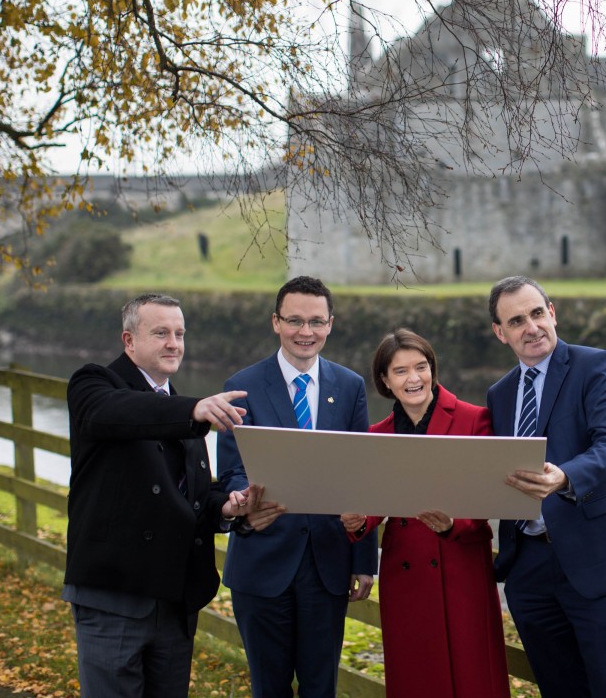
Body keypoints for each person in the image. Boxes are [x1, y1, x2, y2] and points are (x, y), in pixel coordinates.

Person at [63, 292, 274, 698]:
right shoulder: (94, 384)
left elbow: (192, 497)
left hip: (175, 599)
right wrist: (192, 411)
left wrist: (227, 508)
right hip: (114, 595)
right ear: (129, 341)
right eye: (160, 333)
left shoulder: (178, 406)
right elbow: (117, 413)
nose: (173, 343)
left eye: (179, 333)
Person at [486, 276, 606, 698]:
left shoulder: (596, 365)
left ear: (552, 312)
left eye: (536, 313)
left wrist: (564, 476)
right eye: (516, 321)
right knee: (559, 688)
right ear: (500, 332)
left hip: (598, 558)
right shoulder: (500, 394)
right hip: (529, 570)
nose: (531, 327)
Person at [218, 276, 378, 698]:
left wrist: (364, 557)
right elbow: (232, 471)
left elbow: (360, 476)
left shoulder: (349, 386)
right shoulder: (242, 385)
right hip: (262, 560)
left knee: (319, 686)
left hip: (327, 564)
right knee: (268, 687)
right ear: (276, 322)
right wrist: (244, 503)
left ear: (330, 324)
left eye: (316, 322)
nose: (305, 332)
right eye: (294, 321)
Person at [340, 329, 510, 698]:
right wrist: (359, 522)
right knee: (416, 677)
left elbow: (488, 497)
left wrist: (454, 524)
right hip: (406, 575)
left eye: (420, 366)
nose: (413, 378)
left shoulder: (475, 419)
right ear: (385, 380)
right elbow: (374, 502)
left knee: (472, 677)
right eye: (400, 371)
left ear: (433, 369)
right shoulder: (377, 435)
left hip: (461, 568)